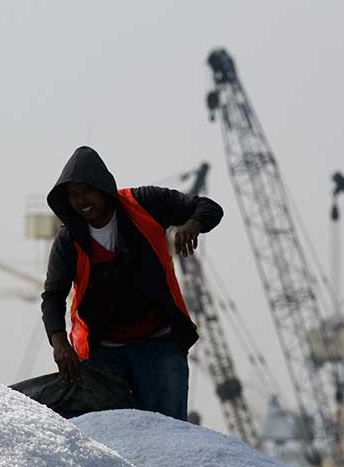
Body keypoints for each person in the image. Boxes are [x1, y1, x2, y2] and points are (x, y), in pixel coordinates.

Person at [41, 146, 224, 420]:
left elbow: (208, 207)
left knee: (170, 432)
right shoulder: (68, 240)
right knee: (112, 435)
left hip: (159, 345)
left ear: (103, 187)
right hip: (104, 353)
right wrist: (59, 343)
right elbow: (53, 296)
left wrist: (192, 225)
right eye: (74, 195)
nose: (82, 201)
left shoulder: (145, 203)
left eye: (87, 191)